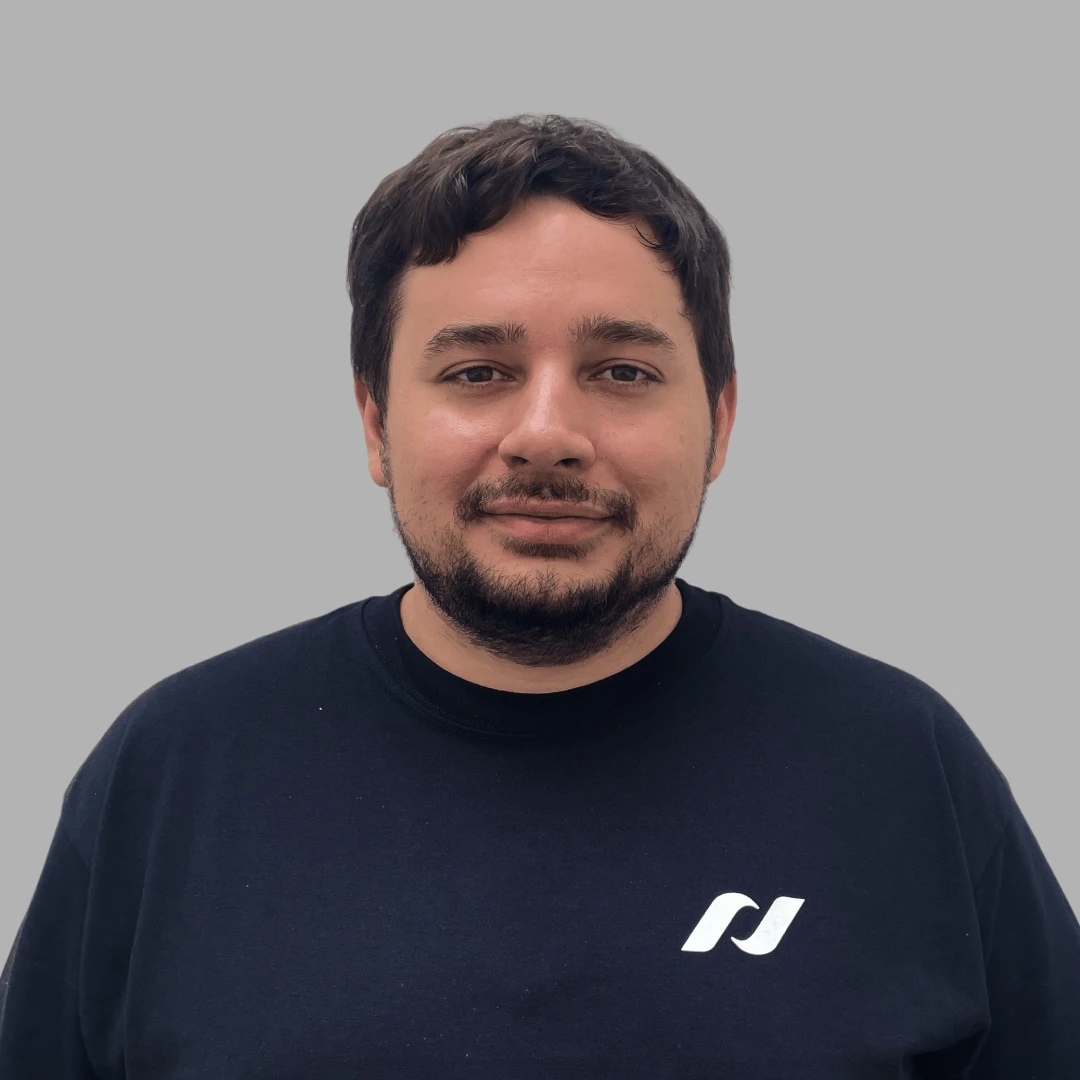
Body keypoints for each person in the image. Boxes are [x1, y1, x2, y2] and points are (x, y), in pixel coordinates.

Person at [2, 113, 1077, 1078]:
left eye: (622, 371)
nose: (548, 434)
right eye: (477, 371)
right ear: (377, 424)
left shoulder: (901, 765)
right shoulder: (175, 770)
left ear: (723, 421)